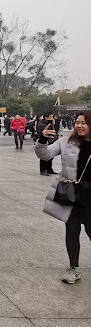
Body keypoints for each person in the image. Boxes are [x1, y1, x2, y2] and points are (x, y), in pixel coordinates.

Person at [35, 111, 91, 283]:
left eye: (84, 123)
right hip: (72, 196)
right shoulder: (66, 142)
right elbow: (44, 155)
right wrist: (42, 139)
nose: (79, 126)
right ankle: (74, 268)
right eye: (77, 122)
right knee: (72, 231)